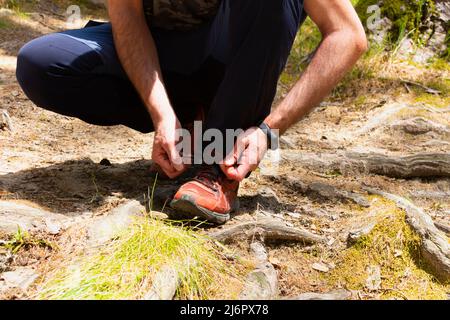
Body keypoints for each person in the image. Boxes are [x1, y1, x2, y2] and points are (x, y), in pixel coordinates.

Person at [16, 0, 367, 224]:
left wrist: (268, 130)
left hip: (231, 55)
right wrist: (162, 115)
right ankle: (190, 124)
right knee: (41, 65)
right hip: (163, 53)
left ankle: (217, 164)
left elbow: (347, 36)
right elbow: (128, 18)